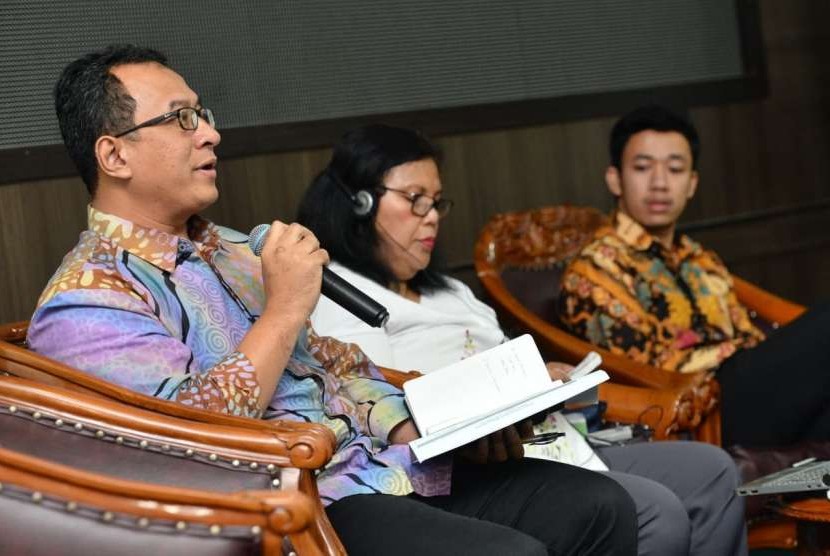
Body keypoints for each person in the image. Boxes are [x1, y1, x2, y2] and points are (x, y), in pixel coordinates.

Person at [27, 45, 639, 556]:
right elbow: (187, 443)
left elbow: (337, 364)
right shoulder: (89, 299)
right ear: (115, 154)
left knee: (598, 506)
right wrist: (286, 308)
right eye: (181, 118)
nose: (211, 133)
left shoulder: (236, 251)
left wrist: (429, 424)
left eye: (203, 114)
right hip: (294, 506)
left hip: (379, 464)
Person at [299, 123, 747, 556]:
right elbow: (370, 393)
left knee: (711, 469)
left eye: (436, 202)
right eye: (415, 200)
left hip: (553, 434)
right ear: (358, 204)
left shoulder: (451, 290)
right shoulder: (340, 295)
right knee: (654, 511)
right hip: (475, 459)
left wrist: (541, 379)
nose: (431, 217)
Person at [557, 104, 830, 449]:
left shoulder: (700, 258)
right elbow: (644, 369)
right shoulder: (597, 268)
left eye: (675, 169)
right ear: (615, 179)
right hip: (698, 409)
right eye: (642, 168)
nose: (659, 183)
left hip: (757, 391)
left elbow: (747, 334)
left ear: (692, 183)